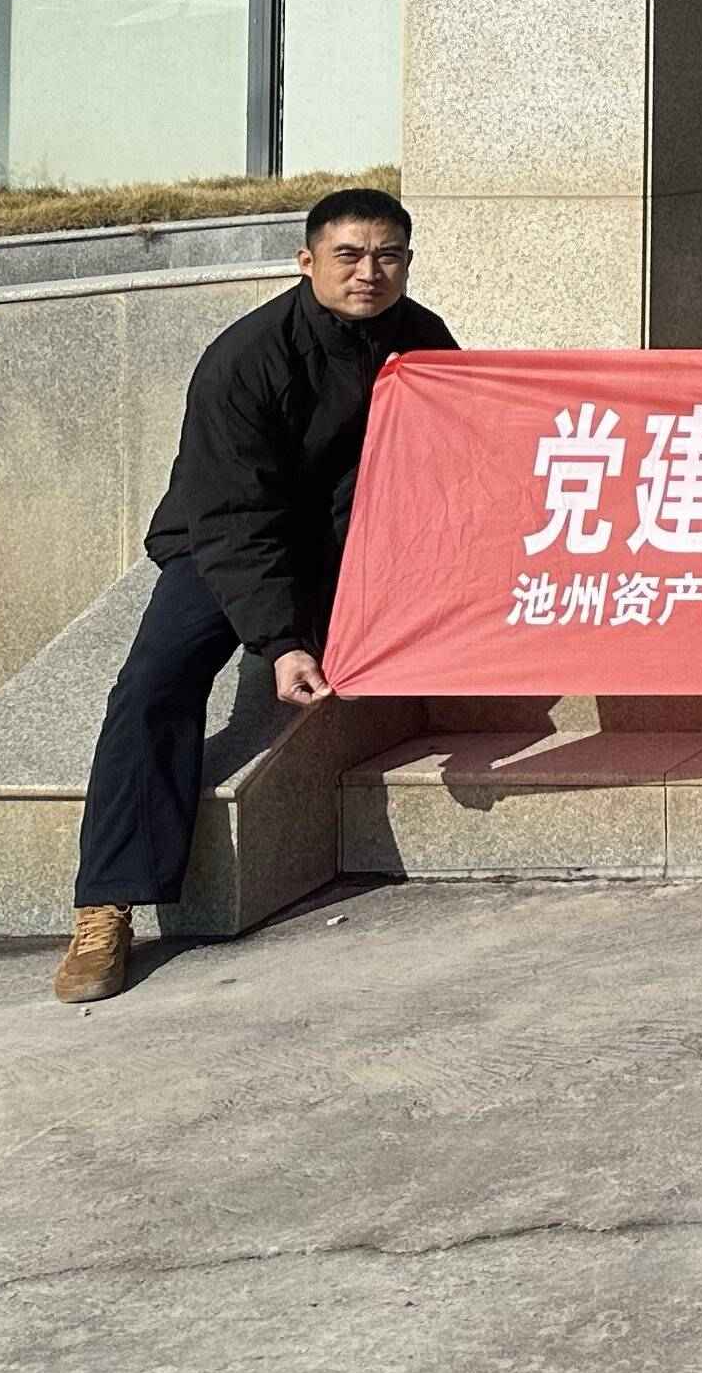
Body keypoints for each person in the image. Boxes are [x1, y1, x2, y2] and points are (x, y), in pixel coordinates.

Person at [53, 189, 456, 1006]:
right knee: (152, 684)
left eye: (388, 257)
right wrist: (281, 640)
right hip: (223, 541)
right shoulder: (246, 357)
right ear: (307, 262)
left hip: (348, 549)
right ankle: (107, 904)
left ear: (408, 263)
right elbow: (233, 514)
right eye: (348, 256)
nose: (369, 273)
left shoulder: (422, 338)